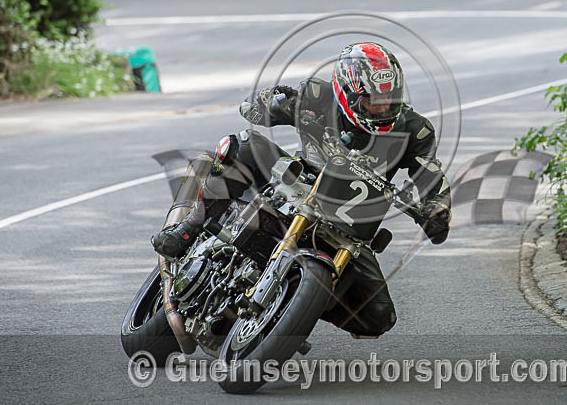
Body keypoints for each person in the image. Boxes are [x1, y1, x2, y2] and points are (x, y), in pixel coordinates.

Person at [152, 42, 451, 337]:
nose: (382, 108)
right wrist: (277, 103)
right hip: (296, 182)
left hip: (350, 223)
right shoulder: (317, 94)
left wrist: (437, 209)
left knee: (378, 317)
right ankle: (189, 227)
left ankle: (295, 301)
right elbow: (250, 108)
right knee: (243, 145)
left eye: (390, 100)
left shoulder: (415, 129)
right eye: (371, 101)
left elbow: (431, 176)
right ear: (346, 93)